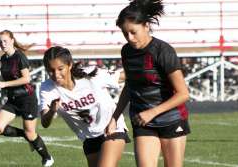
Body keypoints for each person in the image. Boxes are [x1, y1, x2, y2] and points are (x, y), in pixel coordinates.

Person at [105, 0, 191, 167]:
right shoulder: (126, 51)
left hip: (171, 118)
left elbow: (183, 94)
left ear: (145, 26)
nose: (129, 38)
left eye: (133, 32)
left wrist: (152, 112)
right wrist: (115, 117)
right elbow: (130, 85)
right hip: (142, 119)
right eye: (125, 34)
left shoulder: (163, 51)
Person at [40, 46, 130, 167]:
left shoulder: (91, 74)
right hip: (89, 137)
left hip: (112, 127)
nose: (56, 74)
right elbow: (44, 122)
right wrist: (52, 111)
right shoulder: (47, 88)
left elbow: (126, 76)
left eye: (60, 69)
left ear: (69, 65)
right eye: (51, 70)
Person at [0, 30, 54, 166]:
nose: (2, 44)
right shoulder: (3, 58)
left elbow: (26, 79)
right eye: (0, 42)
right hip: (13, 100)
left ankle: (47, 158)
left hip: (27, 99)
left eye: (5, 41)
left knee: (31, 133)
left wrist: (4, 84)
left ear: (12, 40)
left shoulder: (20, 57)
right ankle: (27, 136)